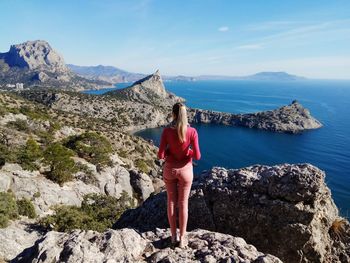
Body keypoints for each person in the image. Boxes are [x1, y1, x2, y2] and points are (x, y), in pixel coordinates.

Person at [157, 102, 201, 248]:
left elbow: (160, 155)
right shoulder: (192, 132)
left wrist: (170, 152)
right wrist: (187, 152)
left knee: (171, 202)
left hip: (170, 170)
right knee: (183, 204)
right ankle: (182, 238)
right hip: (186, 171)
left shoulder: (166, 132)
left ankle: (173, 236)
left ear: (173, 114)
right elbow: (198, 156)